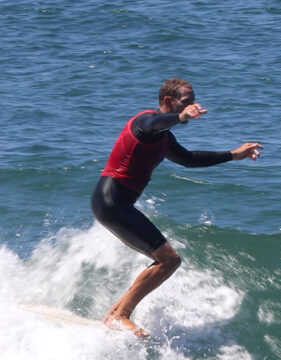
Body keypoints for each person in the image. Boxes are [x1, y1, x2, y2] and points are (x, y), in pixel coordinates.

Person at [91, 78, 263, 338]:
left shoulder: (164, 139)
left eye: (193, 101)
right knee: (169, 260)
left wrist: (233, 155)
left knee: (165, 261)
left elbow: (189, 160)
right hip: (111, 200)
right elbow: (155, 123)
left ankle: (114, 314)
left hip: (115, 203)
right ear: (168, 102)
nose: (193, 105)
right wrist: (182, 117)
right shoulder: (145, 123)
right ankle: (120, 316)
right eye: (186, 101)